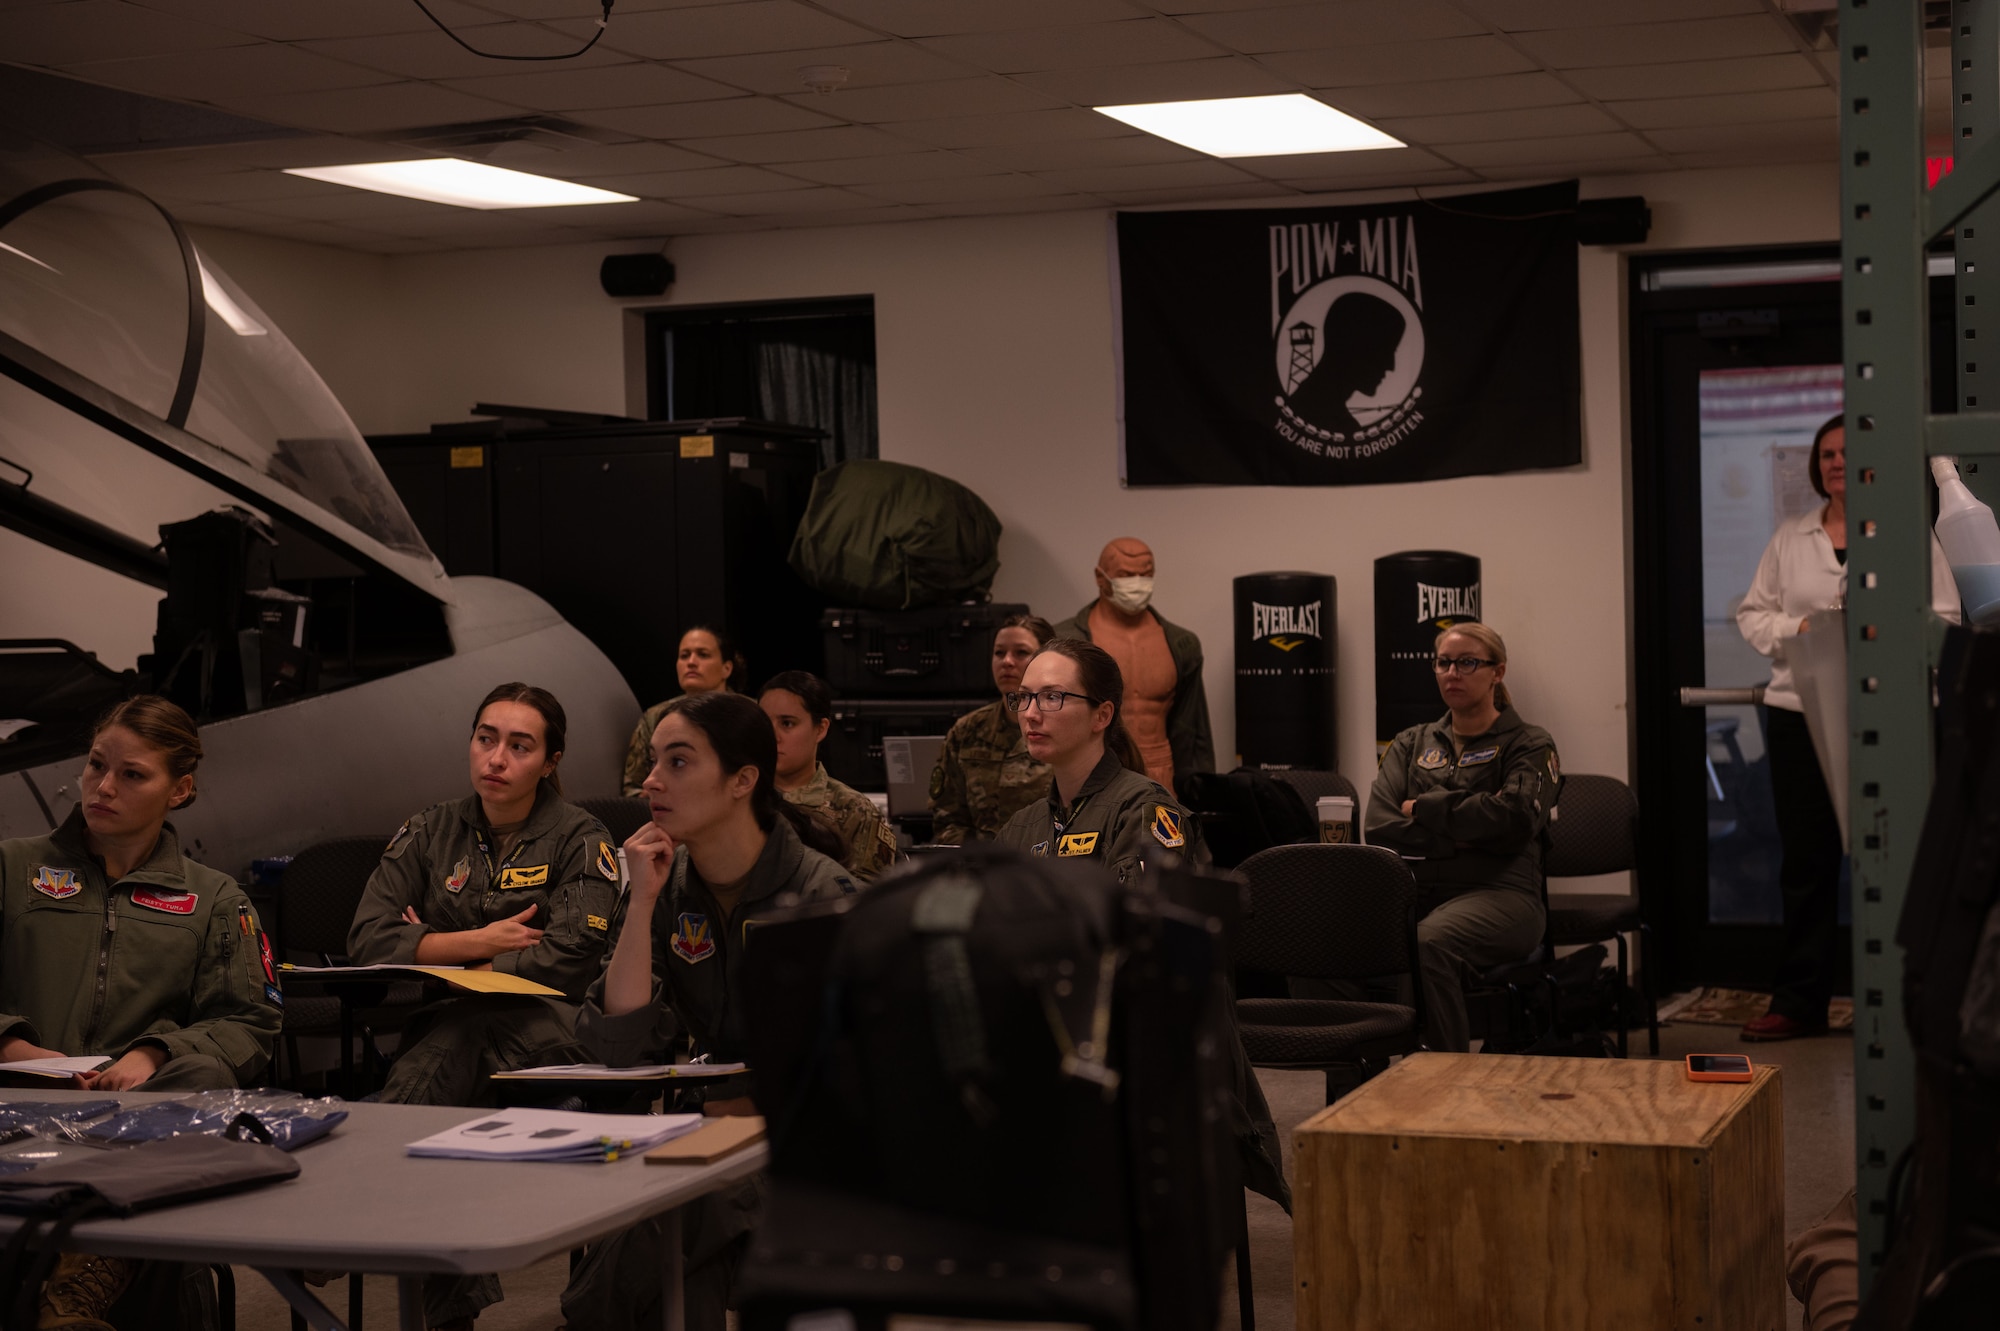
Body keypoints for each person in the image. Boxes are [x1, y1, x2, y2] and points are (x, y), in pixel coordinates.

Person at [564, 691, 855, 1331]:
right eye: (653, 762)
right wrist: (639, 904)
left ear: (742, 781)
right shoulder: (669, 889)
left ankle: (583, 1314)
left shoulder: (821, 895)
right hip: (704, 1145)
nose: (650, 780)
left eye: (678, 762)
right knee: (682, 1265)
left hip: (804, 1160)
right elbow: (615, 1046)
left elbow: (864, 1072)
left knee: (664, 1228)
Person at [0, 695, 283, 1329]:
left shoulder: (214, 899)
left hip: (135, 1124)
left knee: (204, 1081)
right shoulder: (10, 868)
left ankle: (79, 1287)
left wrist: (155, 1052)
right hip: (17, 1102)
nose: (102, 787)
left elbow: (251, 1022)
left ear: (179, 790)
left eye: (133, 775)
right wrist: (11, 1047)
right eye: (96, 765)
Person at [346, 683, 617, 1330]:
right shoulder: (430, 828)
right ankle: (448, 1315)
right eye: (485, 738)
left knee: (451, 1046)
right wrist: (472, 942)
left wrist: (435, 953)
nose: (495, 757)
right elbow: (366, 937)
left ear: (550, 761)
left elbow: (571, 951)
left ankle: (349, 1199)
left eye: (519, 746)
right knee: (444, 1113)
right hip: (454, 1028)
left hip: (559, 1029)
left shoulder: (581, 835)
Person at [1735, 415, 1959, 1041]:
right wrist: (1800, 630)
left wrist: (1873, 634)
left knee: (1895, 857)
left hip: (1890, 718)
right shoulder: (1789, 537)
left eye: (1848, 453)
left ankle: (1900, 1000)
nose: (1836, 463)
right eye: (1827, 454)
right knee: (1806, 863)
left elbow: (1943, 614)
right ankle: (1800, 1002)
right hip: (1798, 714)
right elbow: (1755, 615)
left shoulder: (1909, 533)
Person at [1366, 623, 1557, 1055]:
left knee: (1427, 942)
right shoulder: (1410, 743)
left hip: (1504, 895)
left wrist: (1426, 807)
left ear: (1497, 672)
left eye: (1468, 662)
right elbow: (1379, 825)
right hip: (1418, 891)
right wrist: (1465, 835)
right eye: (1444, 662)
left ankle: (1448, 1082)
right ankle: (1355, 1088)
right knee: (1329, 935)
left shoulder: (1529, 743)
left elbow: (1514, 821)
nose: (1453, 672)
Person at [995, 638, 1207, 881]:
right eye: (1023, 697)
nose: (1030, 714)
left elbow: (1135, 915)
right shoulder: (1022, 825)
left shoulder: (1143, 808)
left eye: (1051, 697)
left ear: (1102, 716)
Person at [1052, 538, 1214, 792]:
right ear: (1100, 577)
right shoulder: (1065, 641)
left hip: (1161, 773)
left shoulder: (1182, 643)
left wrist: (1203, 791)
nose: (1137, 583)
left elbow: (1194, 727)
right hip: (1093, 772)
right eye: (1126, 575)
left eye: (1145, 575)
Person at [758, 670, 899, 881]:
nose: (773, 736)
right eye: (765, 723)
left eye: (787, 723)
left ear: (820, 729)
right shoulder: (738, 797)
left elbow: (869, 897)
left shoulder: (854, 810)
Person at [928, 613, 1055, 843]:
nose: (1007, 661)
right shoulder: (968, 730)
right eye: (999, 653)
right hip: (980, 868)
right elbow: (947, 818)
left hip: (1049, 867)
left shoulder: (1063, 726)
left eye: (1021, 652)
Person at [621, 626, 747, 796]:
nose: (691, 662)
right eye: (684, 655)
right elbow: (632, 789)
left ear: (727, 668)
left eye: (703, 654)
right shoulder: (656, 717)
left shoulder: (750, 714)